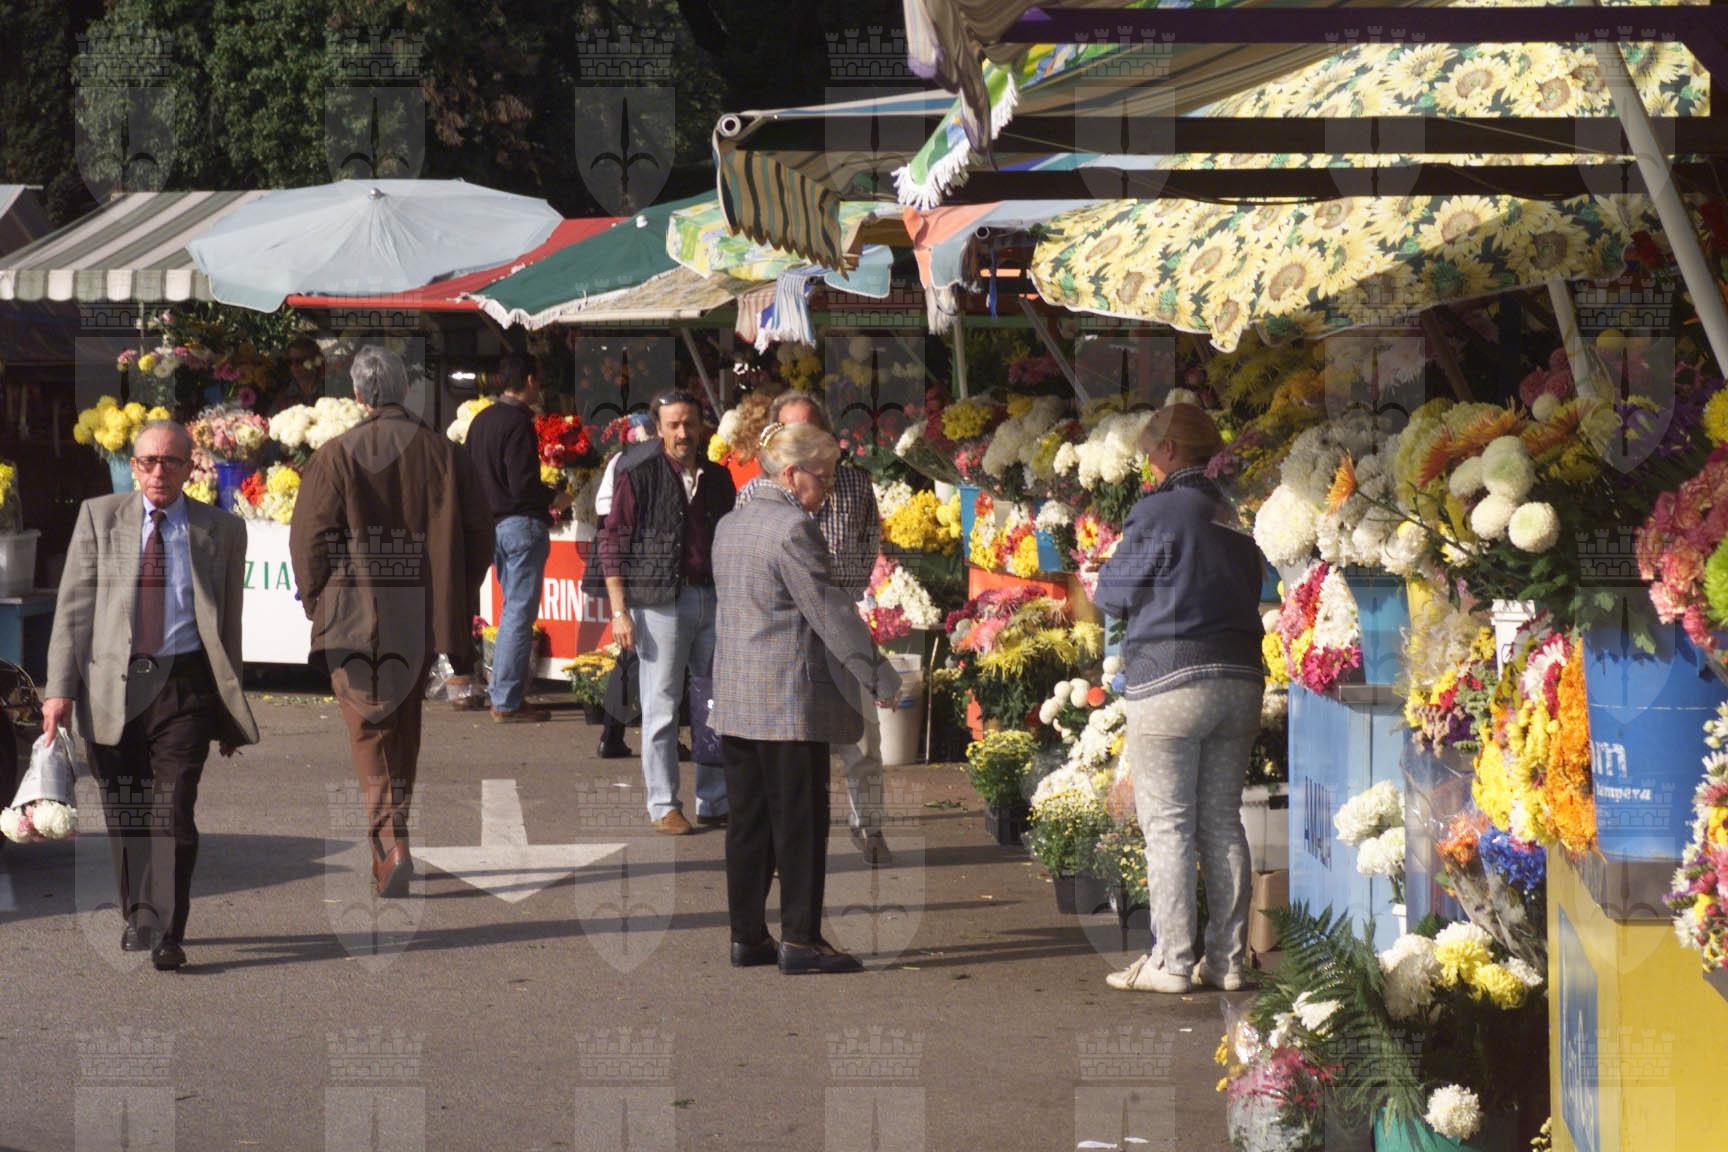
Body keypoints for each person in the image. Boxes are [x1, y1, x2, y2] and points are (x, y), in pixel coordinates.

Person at [42, 420, 259, 971]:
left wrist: (228, 711)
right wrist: (59, 691)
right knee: (126, 812)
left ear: (189, 467)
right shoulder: (100, 517)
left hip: (183, 687)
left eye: (170, 461)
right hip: (111, 688)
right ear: (134, 467)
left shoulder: (222, 530)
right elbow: (73, 610)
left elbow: (228, 626)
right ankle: (138, 911)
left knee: (174, 811)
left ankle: (167, 929)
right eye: (147, 461)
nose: (158, 472)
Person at [289, 345, 493, 897]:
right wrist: (452, 596)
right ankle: (392, 840)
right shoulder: (444, 454)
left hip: (355, 616)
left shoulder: (335, 455)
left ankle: (390, 843)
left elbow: (309, 543)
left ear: (359, 394)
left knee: (373, 733)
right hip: (421, 614)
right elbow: (480, 537)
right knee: (401, 729)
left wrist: (320, 603)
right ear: (405, 391)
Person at [1088, 403, 1265, 994]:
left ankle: (1171, 962)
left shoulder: (1160, 509)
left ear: (1168, 450)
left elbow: (1113, 594)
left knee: (1168, 827)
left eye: (1149, 453)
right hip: (1240, 678)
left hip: (1170, 680)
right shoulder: (1234, 513)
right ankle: (1227, 961)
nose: (1148, 464)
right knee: (1222, 821)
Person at [711, 421, 901, 975]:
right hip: (788, 700)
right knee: (800, 823)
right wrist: (879, 675)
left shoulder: (731, 524)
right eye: (824, 477)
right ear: (792, 474)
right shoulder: (793, 528)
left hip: (738, 696)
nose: (829, 488)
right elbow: (830, 611)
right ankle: (800, 939)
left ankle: (747, 936)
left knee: (747, 823)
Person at [737, 392, 889, 865]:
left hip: (839, 628)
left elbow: (869, 542)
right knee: (788, 749)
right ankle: (783, 845)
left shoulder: (854, 485)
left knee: (863, 741)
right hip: (782, 638)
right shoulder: (754, 494)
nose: (800, 439)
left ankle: (869, 826)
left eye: (808, 429)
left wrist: (843, 596)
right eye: (789, 431)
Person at [598, 390, 736, 834]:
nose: (682, 432)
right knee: (661, 706)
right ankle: (663, 805)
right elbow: (612, 540)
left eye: (689, 423)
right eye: (673, 424)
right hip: (659, 602)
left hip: (712, 598)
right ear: (658, 429)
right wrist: (619, 611)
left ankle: (714, 801)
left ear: (701, 427)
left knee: (715, 704)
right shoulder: (638, 473)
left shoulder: (718, 478)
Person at [462, 354, 571, 722]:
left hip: (489, 524)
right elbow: (522, 484)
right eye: (538, 380)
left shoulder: (482, 420)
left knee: (511, 610)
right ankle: (506, 700)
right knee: (518, 613)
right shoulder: (517, 422)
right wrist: (555, 497)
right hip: (520, 523)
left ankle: (504, 694)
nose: (539, 388)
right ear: (529, 380)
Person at [584, 412, 657, 758]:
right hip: (644, 563)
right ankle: (621, 735)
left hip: (631, 559)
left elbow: (603, 512)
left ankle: (612, 735)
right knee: (645, 655)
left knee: (633, 654)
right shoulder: (645, 463)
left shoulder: (619, 460)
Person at [268, 335, 325, 416]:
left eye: (300, 361)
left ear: (315, 361)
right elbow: (271, 418)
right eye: (290, 361)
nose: (294, 366)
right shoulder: (283, 394)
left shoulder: (330, 389)